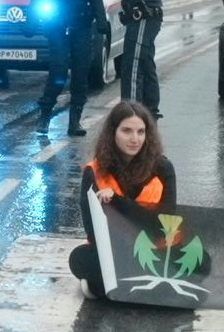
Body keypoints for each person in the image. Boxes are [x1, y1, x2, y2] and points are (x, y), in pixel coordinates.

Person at [68, 99, 177, 300]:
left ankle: (116, 286)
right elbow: (92, 230)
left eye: (141, 132)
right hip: (114, 252)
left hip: (155, 249)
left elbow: (166, 224)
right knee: (79, 258)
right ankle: (142, 285)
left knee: (202, 262)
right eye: (126, 131)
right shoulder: (95, 171)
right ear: (113, 133)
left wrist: (118, 203)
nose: (134, 139)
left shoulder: (163, 169)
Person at [31, 0, 107, 134]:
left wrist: (101, 21)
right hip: (57, 28)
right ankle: (45, 115)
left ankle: (75, 121)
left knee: (81, 74)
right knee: (58, 70)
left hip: (81, 27)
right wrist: (31, 22)